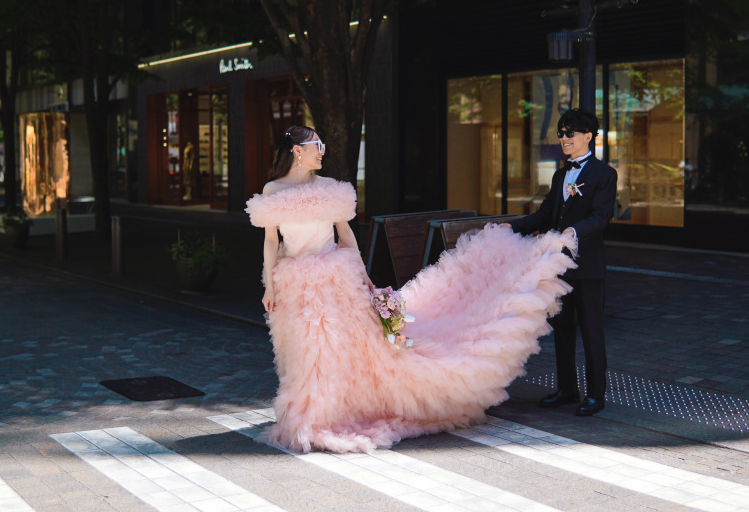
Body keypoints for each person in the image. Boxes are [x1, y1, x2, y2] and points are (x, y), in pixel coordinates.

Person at [245, 125, 579, 453]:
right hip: (297, 282)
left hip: (336, 276)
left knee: (345, 349)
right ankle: (314, 415)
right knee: (309, 351)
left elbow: (345, 235)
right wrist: (270, 286)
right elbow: (271, 242)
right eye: (317, 145)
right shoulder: (273, 191)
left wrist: (363, 276)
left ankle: (341, 411)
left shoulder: (331, 187)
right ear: (297, 152)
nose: (323, 151)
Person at [507, 109, 617, 416]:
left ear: (588, 136)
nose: (564, 139)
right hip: (556, 266)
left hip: (588, 266)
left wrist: (573, 231)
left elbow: (600, 217)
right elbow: (545, 215)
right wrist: (513, 227)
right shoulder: (559, 175)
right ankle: (568, 389)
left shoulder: (605, 174)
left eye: (570, 133)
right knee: (563, 328)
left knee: (593, 330)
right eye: (561, 133)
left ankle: (596, 395)